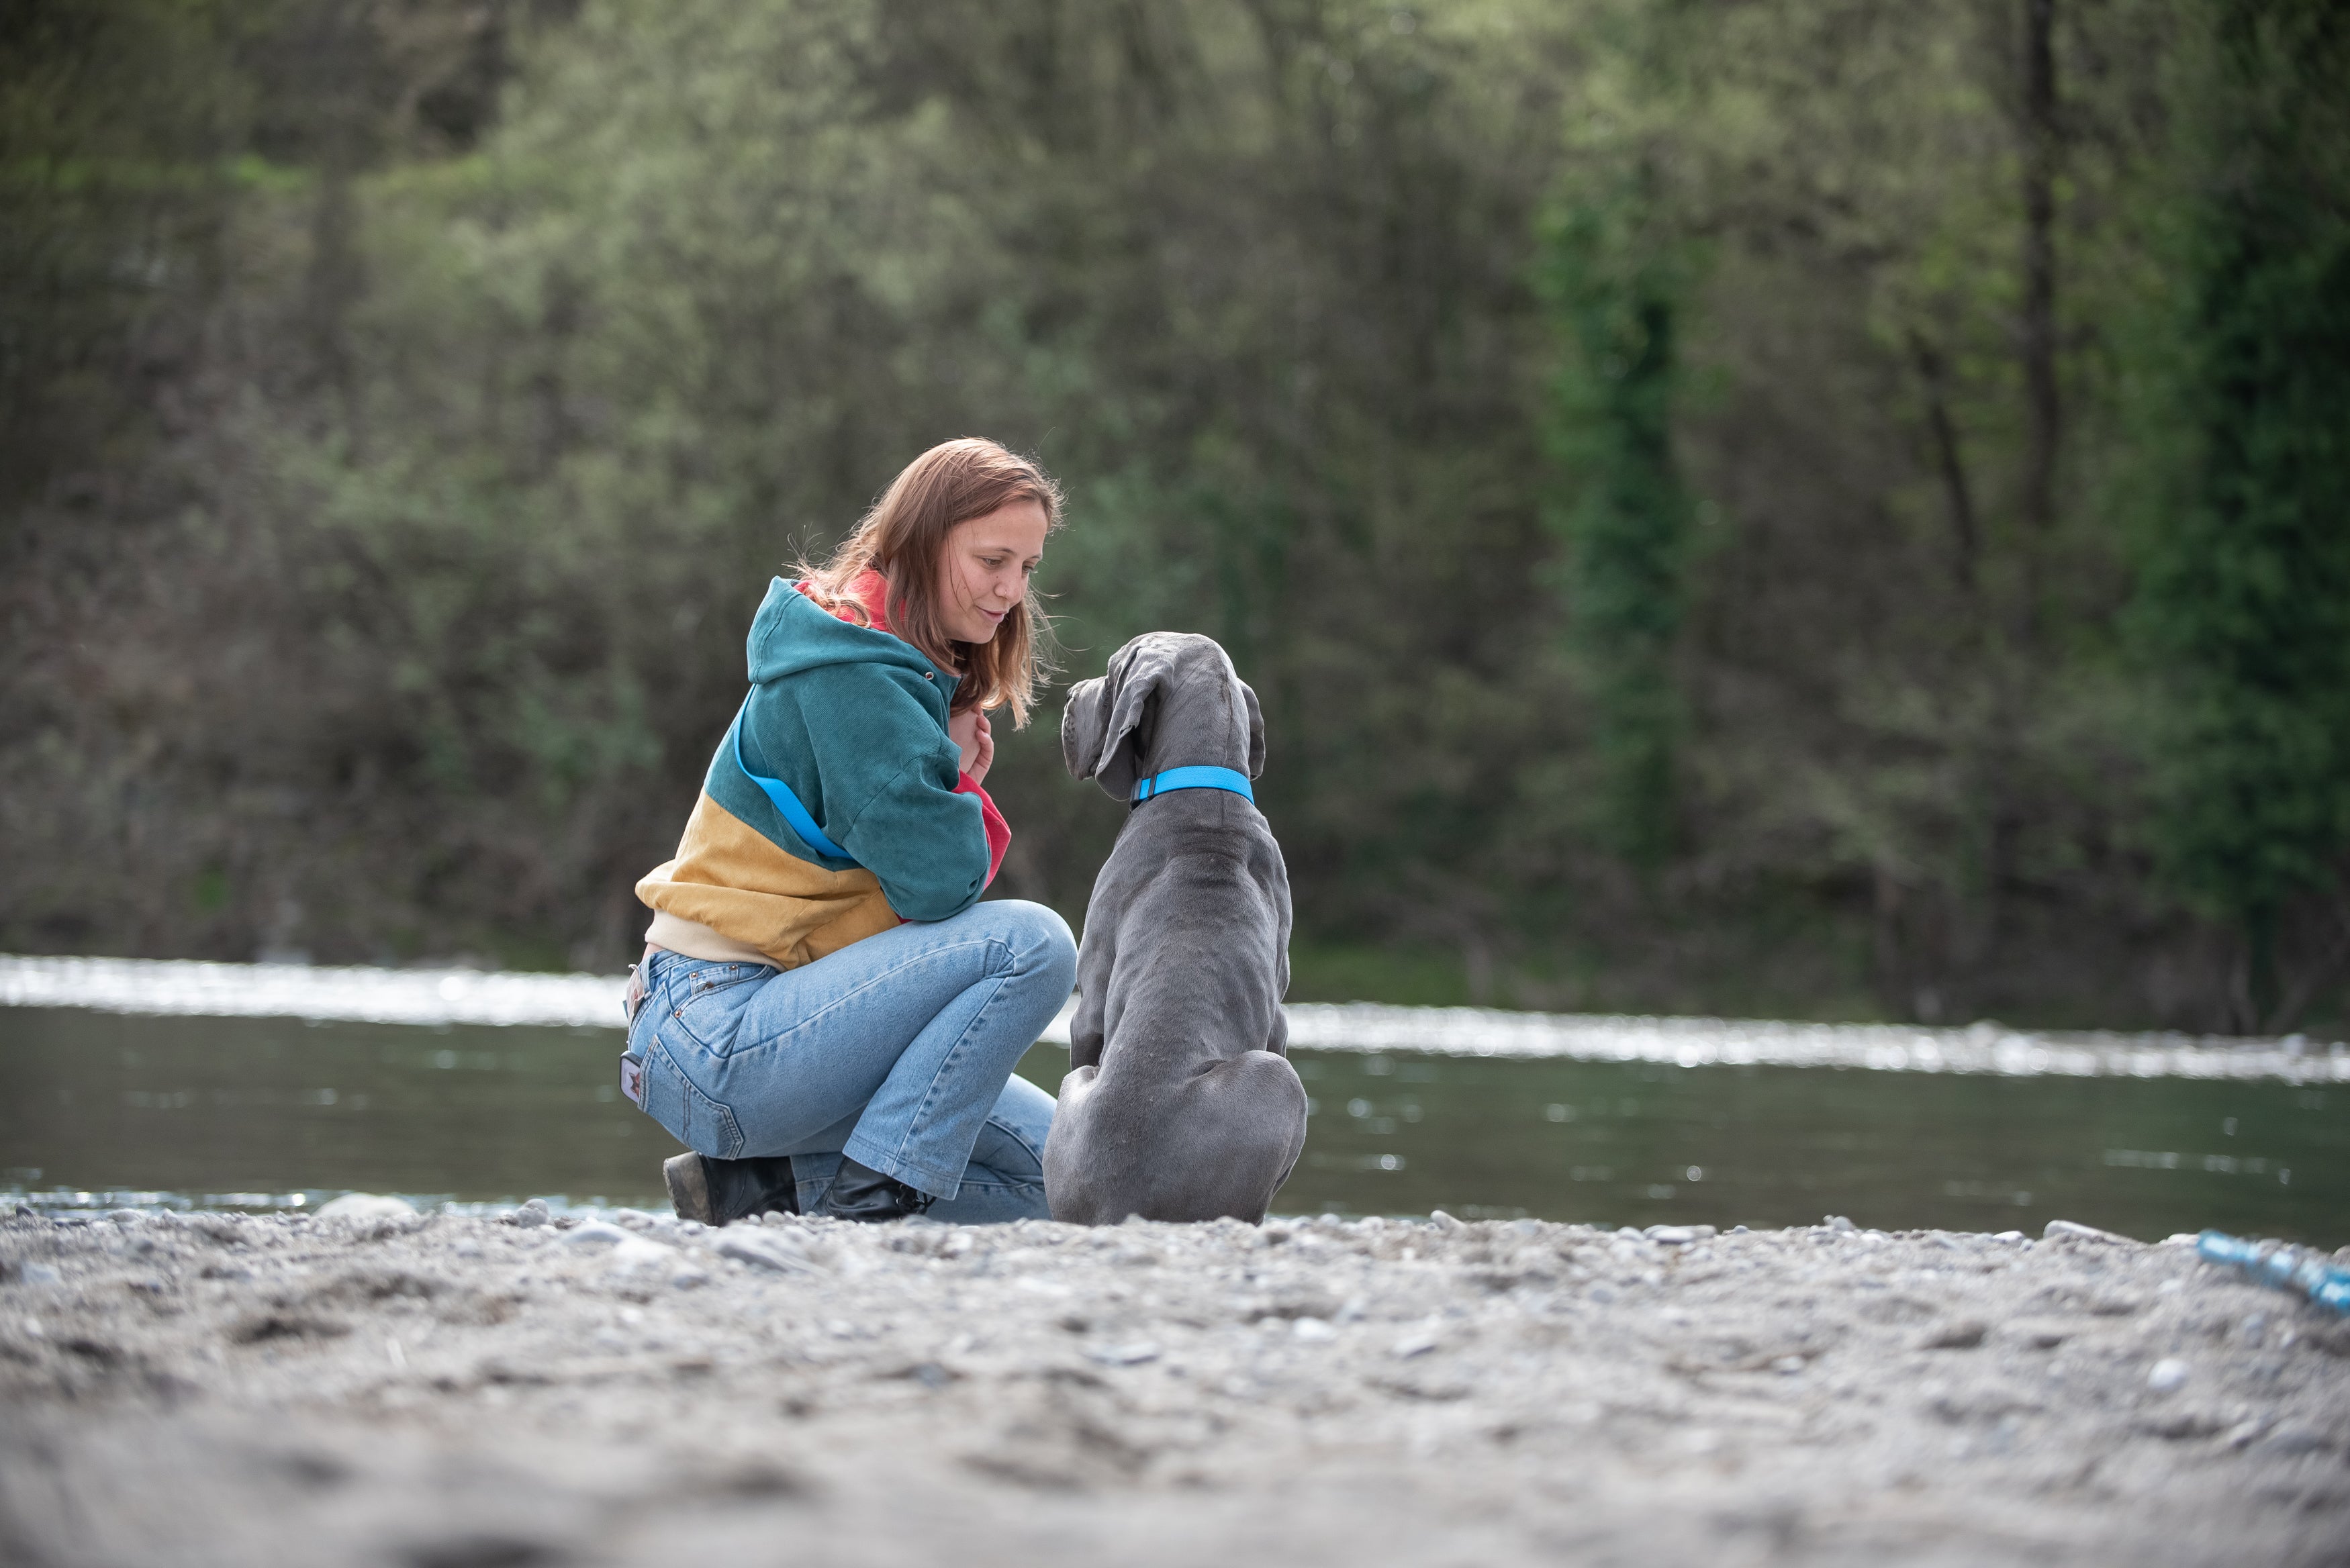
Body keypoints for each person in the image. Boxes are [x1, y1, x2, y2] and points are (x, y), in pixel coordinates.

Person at [620, 438, 1078, 1225]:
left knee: (1077, 1183)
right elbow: (939, 888)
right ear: (924, 541)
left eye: (1027, 567)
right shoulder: (855, 675)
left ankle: (767, 1191)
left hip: (778, 1032)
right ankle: (875, 1198)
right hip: (716, 1034)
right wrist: (959, 778)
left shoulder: (881, 664)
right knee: (1031, 944)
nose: (1011, 589)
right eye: (992, 559)